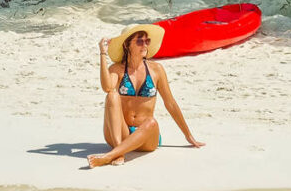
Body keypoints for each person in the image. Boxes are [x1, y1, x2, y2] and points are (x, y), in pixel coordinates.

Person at [87, 23, 205, 168]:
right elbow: (107, 87)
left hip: (146, 137)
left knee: (151, 122)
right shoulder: (117, 69)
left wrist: (188, 135)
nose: (145, 45)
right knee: (112, 95)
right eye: (139, 41)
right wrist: (102, 54)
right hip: (120, 133)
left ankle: (110, 156)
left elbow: (170, 103)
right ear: (127, 44)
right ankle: (118, 152)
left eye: (146, 41)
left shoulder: (156, 70)